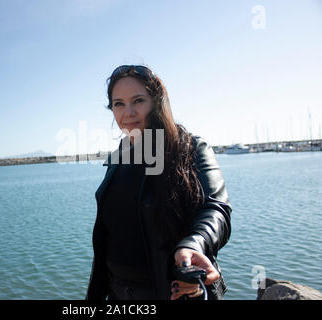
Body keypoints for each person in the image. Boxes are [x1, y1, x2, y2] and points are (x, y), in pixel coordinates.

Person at [86, 65, 232, 300]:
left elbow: (216, 208)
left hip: (171, 291)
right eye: (119, 104)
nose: (128, 112)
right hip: (116, 291)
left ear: (156, 101)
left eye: (138, 100)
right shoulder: (119, 157)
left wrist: (194, 244)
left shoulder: (191, 148)